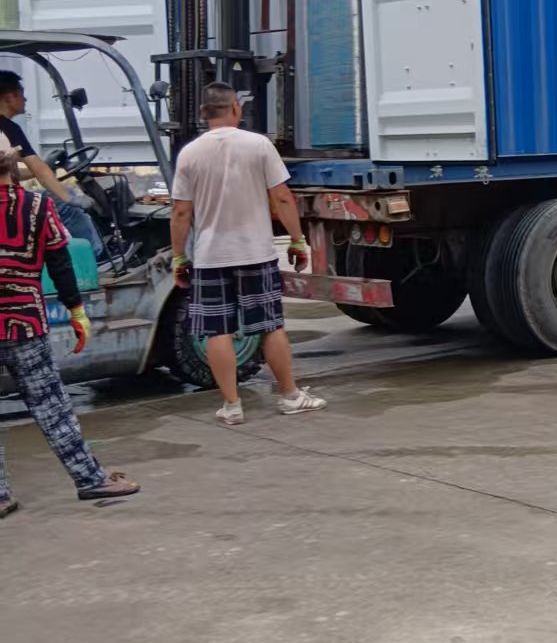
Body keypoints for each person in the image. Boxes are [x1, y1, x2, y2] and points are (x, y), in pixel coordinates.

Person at [169, 82, 326, 425]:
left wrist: (179, 257)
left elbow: (180, 212)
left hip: (211, 256)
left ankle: (232, 405)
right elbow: (282, 197)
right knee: (270, 326)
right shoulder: (259, 145)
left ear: (203, 112)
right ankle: (290, 396)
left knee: (217, 331)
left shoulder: (190, 154)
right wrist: (297, 240)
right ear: (236, 108)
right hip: (255, 252)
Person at [0, 149, 138, 518]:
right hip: (24, 323)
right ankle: (89, 478)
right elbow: (59, 262)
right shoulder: (37, 207)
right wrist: (77, 311)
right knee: (51, 405)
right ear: (13, 168)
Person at [0, 70, 106, 263]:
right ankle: (96, 258)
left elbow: (10, 172)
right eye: (21, 93)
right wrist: (69, 199)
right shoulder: (8, 128)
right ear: (9, 97)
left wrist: (44, 167)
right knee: (64, 204)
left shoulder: (7, 129)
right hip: (5, 203)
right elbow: (38, 168)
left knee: (62, 195)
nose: (25, 99)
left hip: (6, 198)